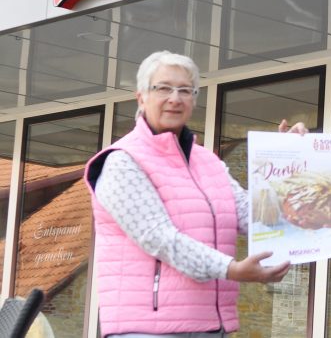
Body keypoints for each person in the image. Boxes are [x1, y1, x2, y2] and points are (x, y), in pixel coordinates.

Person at [84, 51, 307, 337]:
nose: (175, 98)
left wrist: (290, 159)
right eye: (163, 88)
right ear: (141, 97)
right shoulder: (122, 161)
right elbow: (161, 239)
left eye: (185, 90)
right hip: (148, 329)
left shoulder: (208, 162)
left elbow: (254, 217)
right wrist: (232, 269)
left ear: (194, 100)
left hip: (211, 327)